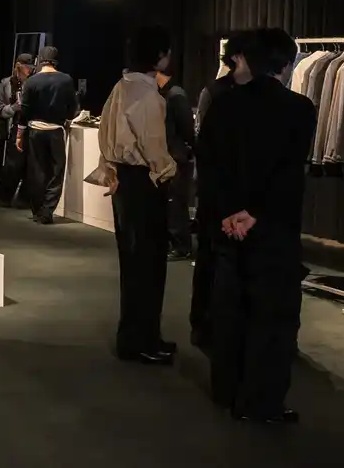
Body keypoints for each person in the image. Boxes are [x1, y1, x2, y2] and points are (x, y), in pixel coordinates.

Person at [198, 28, 315, 424]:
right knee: (273, 316)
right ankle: (260, 401)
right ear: (286, 64)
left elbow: (209, 166)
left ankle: (226, 390)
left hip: (227, 226)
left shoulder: (223, 104)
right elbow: (288, 173)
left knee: (230, 309)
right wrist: (255, 213)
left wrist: (229, 212)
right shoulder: (298, 108)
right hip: (273, 227)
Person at [100, 26, 177, 366]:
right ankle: (143, 339)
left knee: (132, 262)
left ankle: (137, 336)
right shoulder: (148, 95)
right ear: (158, 55)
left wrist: (110, 167)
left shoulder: (121, 87)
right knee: (149, 264)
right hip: (144, 182)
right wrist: (169, 172)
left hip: (123, 180)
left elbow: (106, 133)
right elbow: (154, 147)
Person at [191, 31, 253, 349]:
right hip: (217, 194)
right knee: (210, 260)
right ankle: (203, 324)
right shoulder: (216, 93)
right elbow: (205, 146)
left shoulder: (255, 94)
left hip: (243, 195)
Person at [17, 46, 78, 224]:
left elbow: (24, 110)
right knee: (56, 173)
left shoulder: (32, 81)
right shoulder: (65, 80)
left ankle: (37, 210)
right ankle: (47, 211)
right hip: (56, 131)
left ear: (40, 59)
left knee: (37, 171)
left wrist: (20, 134)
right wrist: (67, 118)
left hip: (35, 131)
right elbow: (73, 107)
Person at [157, 66, 196, 261]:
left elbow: (187, 127)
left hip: (177, 157)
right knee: (170, 202)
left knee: (176, 203)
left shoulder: (175, 95)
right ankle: (174, 243)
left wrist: (186, 149)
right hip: (169, 156)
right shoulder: (166, 95)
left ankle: (181, 246)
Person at [0, 53, 33, 208]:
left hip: (32, 127)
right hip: (14, 127)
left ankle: (24, 198)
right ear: (19, 66)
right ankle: (3, 196)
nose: (30, 70)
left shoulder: (34, 82)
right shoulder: (6, 83)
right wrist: (13, 108)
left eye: (31, 67)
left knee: (30, 165)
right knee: (13, 164)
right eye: (27, 67)